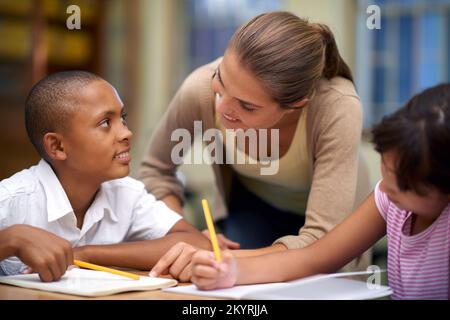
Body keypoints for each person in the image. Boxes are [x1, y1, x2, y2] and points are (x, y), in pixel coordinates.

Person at [139, 11, 372, 274]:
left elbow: (320, 240)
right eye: (221, 81)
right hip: (254, 204)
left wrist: (220, 262)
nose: (222, 107)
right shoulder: (199, 88)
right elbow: (157, 169)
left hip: (331, 223)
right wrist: (185, 235)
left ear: (296, 104)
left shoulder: (336, 107)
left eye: (247, 106)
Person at [189, 83, 450, 300]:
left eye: (408, 186)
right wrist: (232, 270)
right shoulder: (388, 198)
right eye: (386, 165)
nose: (389, 185)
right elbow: (313, 258)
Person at [0, 71, 210, 282]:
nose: (126, 133)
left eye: (123, 119)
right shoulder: (11, 200)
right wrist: (11, 239)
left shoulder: (126, 193)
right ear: (57, 146)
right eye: (105, 123)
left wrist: (86, 254)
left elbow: (197, 242)